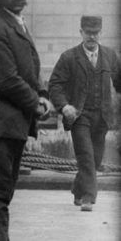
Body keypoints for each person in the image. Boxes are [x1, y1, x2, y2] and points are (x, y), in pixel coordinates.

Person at [0, 0, 53, 241]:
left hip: (13, 123)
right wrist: (36, 103)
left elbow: (30, 68)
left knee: (4, 191)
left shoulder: (17, 24)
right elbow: (5, 80)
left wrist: (42, 93)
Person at [48, 15, 121, 212]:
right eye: (88, 33)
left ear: (101, 33)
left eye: (95, 33)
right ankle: (89, 197)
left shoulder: (111, 56)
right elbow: (55, 85)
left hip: (103, 117)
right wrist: (64, 106)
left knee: (95, 160)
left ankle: (78, 189)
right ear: (80, 32)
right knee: (86, 157)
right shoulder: (69, 57)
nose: (92, 37)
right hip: (78, 116)